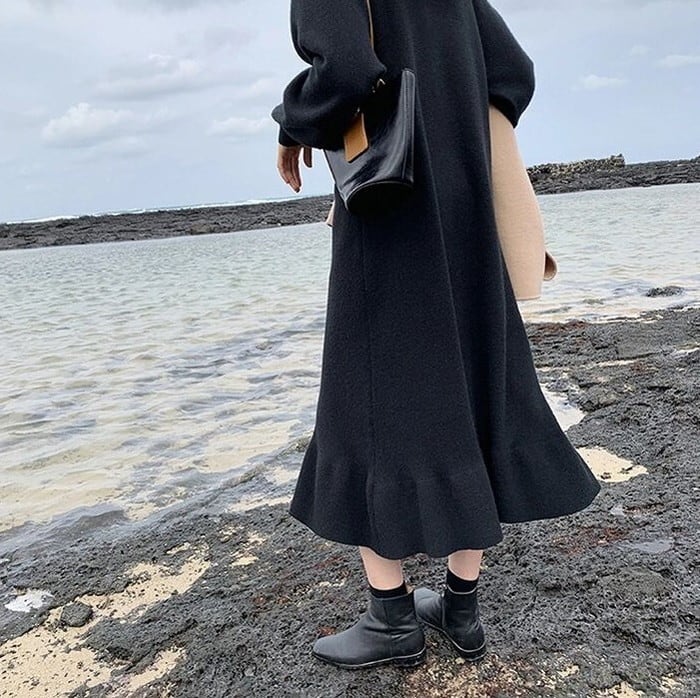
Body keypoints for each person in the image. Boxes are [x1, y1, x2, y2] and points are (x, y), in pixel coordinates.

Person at [271, 0, 600, 670]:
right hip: (468, 216)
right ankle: (460, 608)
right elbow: (511, 70)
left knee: (365, 407)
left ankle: (391, 618)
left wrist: (292, 123)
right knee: (472, 393)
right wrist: (458, 132)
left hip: (391, 212)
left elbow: (347, 69)